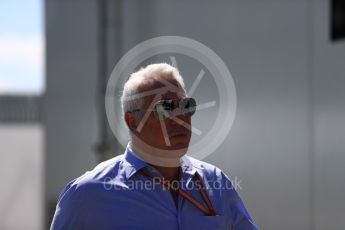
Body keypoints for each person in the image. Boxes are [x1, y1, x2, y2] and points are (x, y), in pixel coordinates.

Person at [50, 63, 258, 229]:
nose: (180, 118)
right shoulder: (88, 195)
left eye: (186, 106)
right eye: (165, 109)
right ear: (133, 122)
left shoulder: (215, 182)